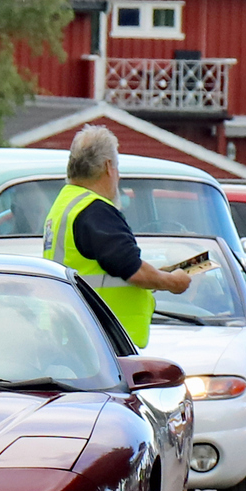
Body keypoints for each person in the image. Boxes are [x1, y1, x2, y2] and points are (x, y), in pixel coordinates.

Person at [39, 127, 192, 347]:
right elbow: (132, 270)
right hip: (102, 339)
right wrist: (173, 282)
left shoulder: (66, 204)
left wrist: (156, 275)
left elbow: (97, 269)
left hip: (74, 331)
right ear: (109, 167)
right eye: (117, 167)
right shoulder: (95, 210)